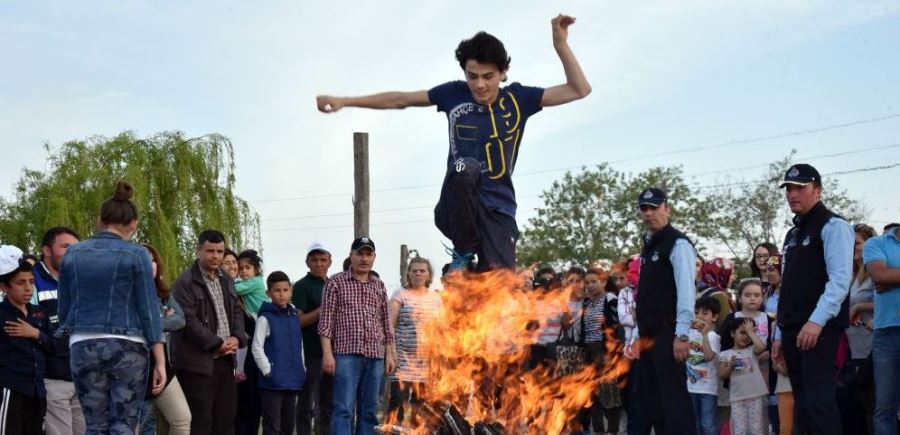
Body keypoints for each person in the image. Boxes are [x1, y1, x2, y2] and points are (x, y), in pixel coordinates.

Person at [316, 14, 591, 271]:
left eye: (488, 76)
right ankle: (462, 250)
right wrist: (346, 101)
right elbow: (400, 99)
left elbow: (579, 89)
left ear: (503, 72)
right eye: (472, 77)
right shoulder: (454, 94)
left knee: (499, 289)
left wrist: (560, 44)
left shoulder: (518, 99)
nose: (480, 85)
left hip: (498, 210)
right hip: (456, 205)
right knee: (466, 167)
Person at [57, 181, 166, 434]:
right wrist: (159, 359)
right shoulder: (137, 254)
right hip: (128, 346)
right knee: (123, 426)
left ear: (99, 220)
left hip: (82, 343)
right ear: (134, 223)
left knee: (94, 426)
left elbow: (64, 310)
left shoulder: (72, 254)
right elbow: (149, 310)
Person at [771, 163, 853, 435]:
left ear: (817, 190)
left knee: (820, 405)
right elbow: (788, 287)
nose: (793, 194)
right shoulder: (793, 234)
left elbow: (840, 281)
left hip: (819, 329)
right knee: (803, 408)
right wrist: (779, 335)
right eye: (789, 189)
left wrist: (816, 322)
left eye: (800, 188)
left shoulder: (834, 226)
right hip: (793, 328)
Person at [632, 187, 697, 435]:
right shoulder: (649, 246)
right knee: (653, 403)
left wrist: (681, 335)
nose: (649, 213)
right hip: (648, 337)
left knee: (674, 403)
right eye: (644, 208)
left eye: (654, 207)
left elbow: (686, 294)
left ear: (666, 209)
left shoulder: (678, 244)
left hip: (669, 334)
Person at [171, 229, 246, 435]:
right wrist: (217, 343)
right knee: (201, 423)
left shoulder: (227, 280)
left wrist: (236, 337)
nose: (215, 256)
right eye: (210, 251)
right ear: (198, 251)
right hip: (197, 365)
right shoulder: (185, 282)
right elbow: (187, 321)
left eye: (220, 251)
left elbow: (237, 311)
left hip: (225, 361)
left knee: (226, 421)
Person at [318, 237, 395, 435]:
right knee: (343, 409)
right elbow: (326, 322)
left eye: (369, 254)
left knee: (369, 411)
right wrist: (327, 354)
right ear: (351, 255)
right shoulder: (336, 282)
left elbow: (386, 323)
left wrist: (390, 354)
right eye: (360, 253)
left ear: (374, 257)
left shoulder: (379, 285)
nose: (364, 258)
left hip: (375, 355)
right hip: (346, 355)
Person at [32, 226, 86, 435]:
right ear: (46, 250)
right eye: (65, 246)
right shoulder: (31, 280)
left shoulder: (81, 281)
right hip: (51, 378)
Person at [138, 244, 191, 435]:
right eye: (145, 259)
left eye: (153, 260)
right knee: (139, 427)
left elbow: (180, 319)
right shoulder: (124, 294)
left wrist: (155, 321)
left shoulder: (163, 294)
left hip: (162, 364)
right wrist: (161, 318)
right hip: (134, 367)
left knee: (182, 419)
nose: (150, 264)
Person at [0, 245, 52, 435]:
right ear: (4, 286)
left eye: (31, 281)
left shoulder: (39, 313)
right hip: (10, 390)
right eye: (20, 283)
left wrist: (35, 334)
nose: (28, 288)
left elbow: (54, 346)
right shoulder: (2, 315)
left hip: (37, 392)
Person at [387, 257, 442, 426]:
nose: (418, 273)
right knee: (397, 403)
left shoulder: (436, 298)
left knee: (421, 407)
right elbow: (389, 325)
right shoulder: (400, 294)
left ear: (429, 275)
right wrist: (391, 353)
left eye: (422, 270)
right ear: (408, 273)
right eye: (414, 270)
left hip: (426, 363)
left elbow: (440, 331)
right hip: (402, 362)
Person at [252, 271, 305, 435]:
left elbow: (299, 346)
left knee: (288, 427)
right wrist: (267, 370)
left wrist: (302, 368)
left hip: (293, 380)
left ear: (291, 291)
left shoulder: (294, 317)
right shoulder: (265, 318)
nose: (282, 294)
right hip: (272, 382)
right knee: (272, 426)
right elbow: (257, 347)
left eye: (285, 290)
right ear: (268, 293)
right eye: (277, 290)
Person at [862, 220, 900, 435]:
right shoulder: (876, 243)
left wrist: (892, 277)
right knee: (885, 406)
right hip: (886, 334)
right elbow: (880, 276)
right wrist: (885, 276)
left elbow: (887, 276)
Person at [294, 241, 334, 435]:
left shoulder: (334, 284)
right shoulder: (302, 286)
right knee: (306, 403)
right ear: (307, 262)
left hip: (334, 353)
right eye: (315, 260)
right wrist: (322, 310)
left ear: (330, 262)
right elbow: (298, 321)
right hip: (310, 353)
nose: (319, 264)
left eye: (322, 259)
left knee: (328, 403)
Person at [842, 223, 877, 434]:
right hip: (851, 351)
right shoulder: (848, 275)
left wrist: (859, 306)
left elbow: (889, 303)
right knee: (854, 411)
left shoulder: (876, 272)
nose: (852, 247)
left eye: (857, 243)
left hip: (872, 348)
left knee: (873, 408)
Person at [582, 268, 621, 435]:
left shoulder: (611, 299)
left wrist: (610, 352)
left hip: (604, 349)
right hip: (588, 350)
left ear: (603, 282)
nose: (589, 286)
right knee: (592, 393)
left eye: (593, 282)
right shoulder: (587, 303)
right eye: (587, 282)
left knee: (609, 391)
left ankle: (612, 430)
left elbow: (617, 327)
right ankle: (598, 430)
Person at [718, 318, 769, 435]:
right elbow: (721, 375)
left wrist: (751, 332)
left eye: (748, 334)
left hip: (755, 396)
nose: (746, 337)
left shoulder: (751, 350)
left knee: (757, 429)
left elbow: (761, 347)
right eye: (742, 332)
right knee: (740, 430)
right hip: (737, 398)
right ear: (732, 333)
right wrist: (730, 366)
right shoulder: (725, 354)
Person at [764, 255, 794, 435]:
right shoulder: (767, 292)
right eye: (767, 268)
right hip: (769, 345)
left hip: (787, 348)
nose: (768, 272)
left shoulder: (792, 293)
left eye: (772, 268)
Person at [686, 296, 721, 435]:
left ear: (714, 317)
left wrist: (704, 335)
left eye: (705, 313)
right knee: (694, 424)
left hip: (708, 389)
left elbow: (708, 356)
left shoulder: (714, 337)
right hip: (690, 387)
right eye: (697, 312)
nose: (700, 316)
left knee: (708, 424)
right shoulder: (689, 333)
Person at [235, 249, 269, 317]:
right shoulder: (247, 282)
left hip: (265, 315)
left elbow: (235, 288)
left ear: (256, 270)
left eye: (247, 268)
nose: (243, 271)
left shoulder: (255, 282)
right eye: (241, 268)